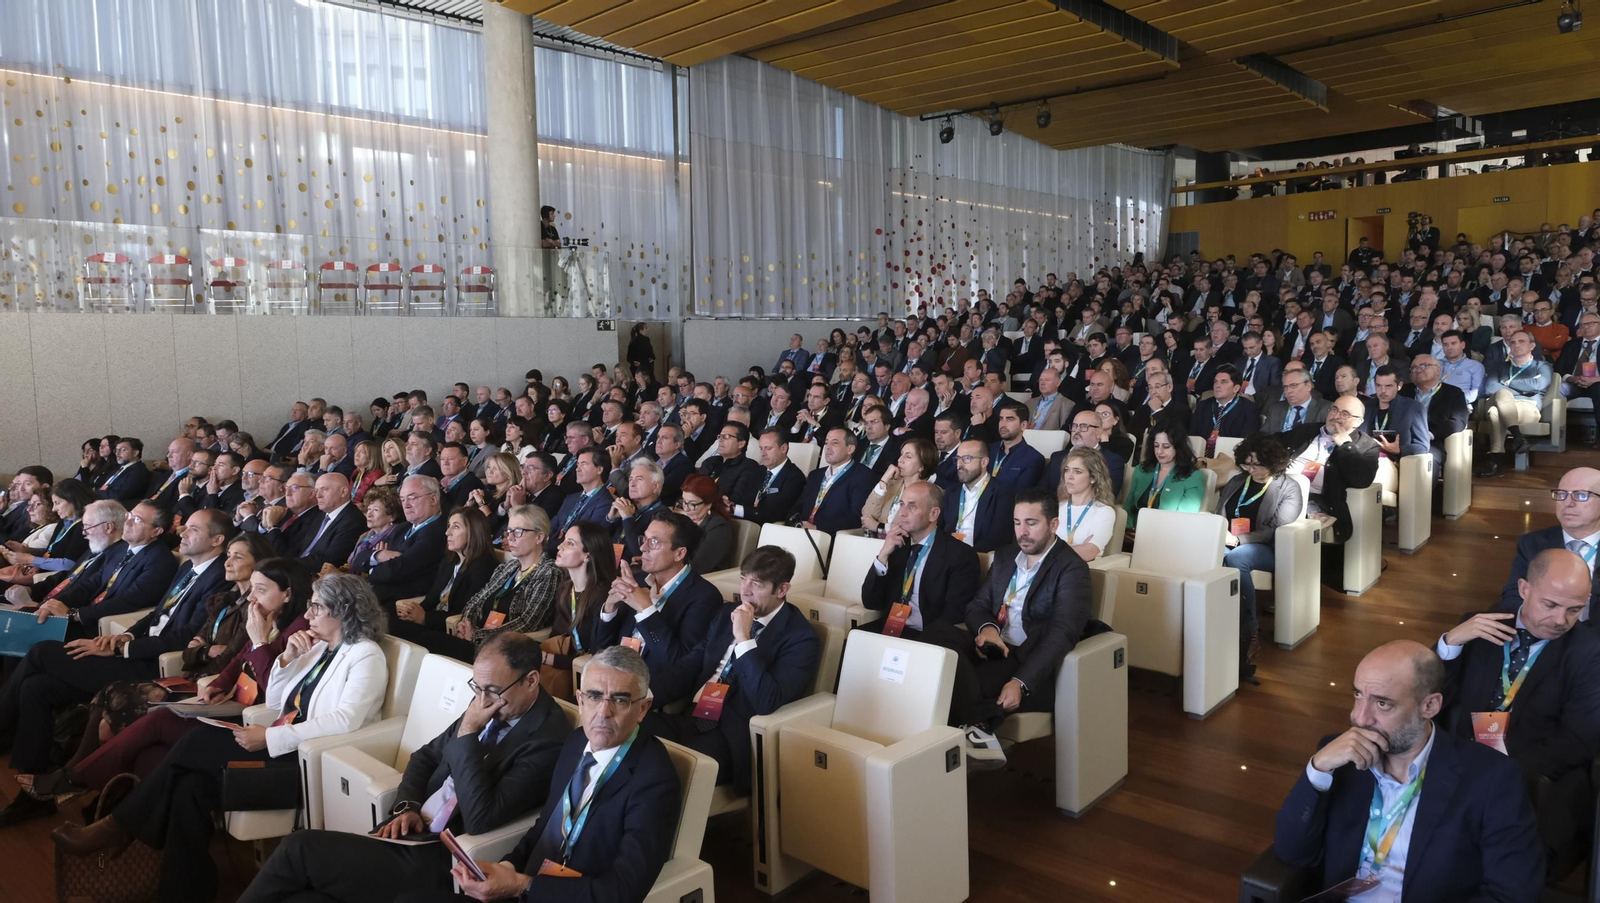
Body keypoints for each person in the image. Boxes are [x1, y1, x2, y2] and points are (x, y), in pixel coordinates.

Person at [51, 574, 391, 903]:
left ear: (344, 609)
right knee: (189, 786)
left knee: (195, 743)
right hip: (281, 742)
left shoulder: (365, 654)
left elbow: (345, 720)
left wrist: (270, 738)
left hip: (305, 761)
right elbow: (274, 701)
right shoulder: (320, 648)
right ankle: (184, 890)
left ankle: (118, 825)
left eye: (317, 607)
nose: (307, 615)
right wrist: (287, 659)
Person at [239, 632, 572, 903]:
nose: (483, 700)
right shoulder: (492, 701)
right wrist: (407, 806)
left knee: (300, 848)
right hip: (410, 833)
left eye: (493, 691)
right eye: (477, 688)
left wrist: (469, 731)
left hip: (442, 860)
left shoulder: (547, 738)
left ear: (530, 680)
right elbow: (425, 756)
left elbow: (481, 818)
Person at [16, 548, 308, 804]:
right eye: (252, 590)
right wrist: (218, 684)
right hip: (223, 697)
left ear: (288, 594)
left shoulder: (296, 631)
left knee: (143, 716)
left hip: (250, 716)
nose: (252, 599)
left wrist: (258, 643)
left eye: (261, 590)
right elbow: (235, 661)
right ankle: (92, 791)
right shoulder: (269, 616)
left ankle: (75, 781)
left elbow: (273, 687)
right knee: (110, 707)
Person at [391, 645, 680, 903]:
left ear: (643, 708)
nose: (603, 712)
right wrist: (506, 867)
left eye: (620, 700)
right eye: (594, 696)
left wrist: (521, 885)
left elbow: (623, 891)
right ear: (580, 699)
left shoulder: (654, 780)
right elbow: (545, 826)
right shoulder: (577, 742)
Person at [1271, 641, 1543, 902]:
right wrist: (1317, 769)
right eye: (1358, 695)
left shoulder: (1492, 778)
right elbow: (1292, 852)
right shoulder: (1340, 760)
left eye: (1382, 703)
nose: (1360, 718)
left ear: (1430, 706)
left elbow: (1512, 892)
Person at [1439, 549, 1600, 876]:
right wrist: (1451, 642)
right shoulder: (1484, 624)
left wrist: (1499, 773)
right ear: (1524, 589)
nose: (1560, 621)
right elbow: (1431, 693)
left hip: (1528, 774)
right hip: (1458, 757)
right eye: (1550, 605)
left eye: (1574, 609)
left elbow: (1578, 741)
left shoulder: (1588, 653)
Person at [926, 488, 1091, 768]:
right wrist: (987, 629)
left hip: (1024, 654)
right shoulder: (1005, 556)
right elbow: (976, 606)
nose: (1022, 532)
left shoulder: (1071, 569)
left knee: (964, 677)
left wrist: (1021, 683)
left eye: (1031, 523)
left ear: (1053, 524)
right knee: (936, 633)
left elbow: (1062, 633)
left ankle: (971, 731)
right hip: (993, 644)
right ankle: (977, 726)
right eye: (1017, 523)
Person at [645, 546, 820, 792]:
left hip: (730, 736)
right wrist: (644, 697)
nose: (744, 591)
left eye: (757, 584)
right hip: (691, 716)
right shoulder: (726, 612)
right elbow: (691, 665)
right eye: (743, 579)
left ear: (782, 589)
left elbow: (766, 700)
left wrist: (744, 638)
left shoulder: (801, 638)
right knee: (625, 730)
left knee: (663, 770)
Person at [595, 510, 722, 684]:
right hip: (611, 674)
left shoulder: (705, 597)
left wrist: (646, 609)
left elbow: (678, 664)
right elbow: (598, 649)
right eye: (644, 539)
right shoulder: (638, 581)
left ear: (679, 553)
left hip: (649, 685)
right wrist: (610, 609)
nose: (642, 548)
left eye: (653, 542)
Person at [1217, 434, 1303, 682]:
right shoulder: (1237, 481)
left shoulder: (1288, 487)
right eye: (1247, 464)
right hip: (1230, 541)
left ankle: (1250, 629)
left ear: (1273, 463)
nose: (1252, 470)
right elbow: (1220, 511)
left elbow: (1276, 528)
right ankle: (1222, 621)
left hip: (1269, 548)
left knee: (1237, 558)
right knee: (1216, 555)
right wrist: (1221, 532)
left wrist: (1239, 540)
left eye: (1258, 465)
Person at [859, 481, 981, 640]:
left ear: (933, 514)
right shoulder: (897, 546)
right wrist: (883, 555)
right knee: (851, 641)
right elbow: (870, 601)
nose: (902, 512)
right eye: (902, 504)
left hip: (929, 636)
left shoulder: (960, 555)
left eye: (912, 506)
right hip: (892, 629)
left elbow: (953, 615)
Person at [443, 506, 564, 663]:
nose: (510, 538)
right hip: (479, 642)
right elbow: (476, 599)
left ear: (539, 537)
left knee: (431, 643)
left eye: (518, 532)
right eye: (509, 531)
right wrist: (466, 622)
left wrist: (477, 636)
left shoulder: (549, 572)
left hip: (507, 652)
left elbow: (529, 621)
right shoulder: (508, 568)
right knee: (428, 641)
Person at [390, 508, 499, 655]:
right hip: (433, 622)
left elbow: (468, 613)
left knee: (418, 636)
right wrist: (413, 612)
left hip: (453, 630)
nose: (447, 532)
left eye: (456, 527)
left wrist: (425, 618)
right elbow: (432, 599)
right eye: (449, 526)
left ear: (474, 531)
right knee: (388, 620)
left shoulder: (484, 566)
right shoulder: (449, 560)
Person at [1498, 467, 1600, 615]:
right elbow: (1513, 597)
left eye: (1581, 495)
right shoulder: (1532, 543)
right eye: (1562, 494)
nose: (1568, 503)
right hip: (1547, 632)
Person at [539, 522, 618, 702]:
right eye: (564, 541)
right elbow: (557, 637)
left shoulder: (603, 595)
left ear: (587, 556)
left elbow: (598, 656)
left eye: (570, 543)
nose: (560, 546)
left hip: (589, 678)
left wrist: (547, 659)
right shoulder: (565, 589)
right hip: (562, 667)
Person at [1480, 330, 1554, 478]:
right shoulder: (1500, 366)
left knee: (1495, 412)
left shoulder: (1542, 366)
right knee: (1502, 394)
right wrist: (1519, 390)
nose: (1516, 345)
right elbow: (1489, 387)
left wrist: (1508, 383)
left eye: (1521, 341)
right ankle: (1517, 436)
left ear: (1532, 346)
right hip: (1501, 400)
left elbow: (1537, 384)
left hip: (1527, 407)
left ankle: (1496, 460)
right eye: (1512, 342)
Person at [368, 475, 449, 604]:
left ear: (433, 499)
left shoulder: (437, 532)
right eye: (402, 499)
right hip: (377, 595)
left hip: (399, 604)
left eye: (412, 498)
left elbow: (397, 571)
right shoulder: (403, 528)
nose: (406, 505)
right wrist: (379, 555)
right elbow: (361, 556)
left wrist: (372, 567)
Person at [1123, 419, 1206, 530]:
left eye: (1166, 447)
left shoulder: (1192, 477)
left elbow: (1185, 519)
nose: (1159, 451)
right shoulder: (1142, 470)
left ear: (1178, 448)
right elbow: (1129, 507)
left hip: (1168, 535)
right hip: (1135, 532)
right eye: (1156, 446)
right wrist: (1126, 530)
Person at [940, 439, 1017, 553]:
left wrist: (966, 552)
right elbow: (940, 529)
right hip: (948, 553)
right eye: (957, 459)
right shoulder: (952, 492)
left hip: (979, 554)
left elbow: (1000, 537)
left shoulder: (1002, 492)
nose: (959, 465)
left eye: (966, 458)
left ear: (984, 462)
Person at [795, 428, 875, 535]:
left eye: (835, 443)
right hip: (800, 531)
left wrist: (817, 527)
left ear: (850, 449)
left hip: (830, 535)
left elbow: (856, 516)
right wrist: (794, 523)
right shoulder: (815, 475)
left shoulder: (862, 475)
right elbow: (799, 506)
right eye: (826, 443)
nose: (828, 447)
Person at [1402, 355, 1471, 471]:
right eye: (1414, 368)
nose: (1418, 370)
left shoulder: (1453, 393)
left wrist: (1431, 434)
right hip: (1403, 440)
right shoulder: (1404, 391)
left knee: (1426, 461)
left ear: (1438, 370)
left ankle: (1424, 489)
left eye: (1424, 365)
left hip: (1432, 442)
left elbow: (1458, 421)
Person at [862, 436, 936, 536]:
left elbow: (908, 530)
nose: (900, 460)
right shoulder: (892, 484)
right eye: (901, 454)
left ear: (921, 467)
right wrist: (884, 480)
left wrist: (878, 526)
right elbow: (867, 515)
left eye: (908, 456)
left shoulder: (929, 493)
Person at [1055, 447, 1118, 562]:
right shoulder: (1056, 507)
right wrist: (1076, 548)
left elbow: (1089, 552)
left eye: (1077, 471)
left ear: (1093, 478)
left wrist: (1053, 550)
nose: (1069, 476)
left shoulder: (1104, 512)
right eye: (1067, 470)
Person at [548, 449, 614, 552]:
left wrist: (543, 548)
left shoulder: (605, 503)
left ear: (599, 469)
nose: (577, 469)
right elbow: (552, 526)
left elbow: (584, 539)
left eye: (584, 464)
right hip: (551, 549)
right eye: (578, 464)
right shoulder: (571, 498)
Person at [1363, 366, 1431, 460]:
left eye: (1388, 386)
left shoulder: (1413, 408)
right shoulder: (1366, 407)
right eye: (1378, 385)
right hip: (1366, 458)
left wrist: (1399, 450)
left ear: (1399, 386)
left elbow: (1423, 446)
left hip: (1395, 461)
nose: (1382, 391)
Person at [698, 422, 763, 512]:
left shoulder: (749, 467)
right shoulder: (710, 462)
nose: (720, 440)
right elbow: (695, 488)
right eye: (720, 436)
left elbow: (737, 500)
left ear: (741, 443)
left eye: (727, 437)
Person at [675, 475, 734, 573]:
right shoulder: (686, 522)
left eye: (692, 504)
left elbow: (697, 568)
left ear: (709, 504)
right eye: (684, 502)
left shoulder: (719, 529)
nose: (686, 508)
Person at [987, 406, 1046, 489]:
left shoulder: (1033, 458)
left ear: (1023, 425)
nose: (1003, 424)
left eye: (1009, 419)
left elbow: (1021, 494)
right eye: (1001, 419)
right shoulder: (988, 449)